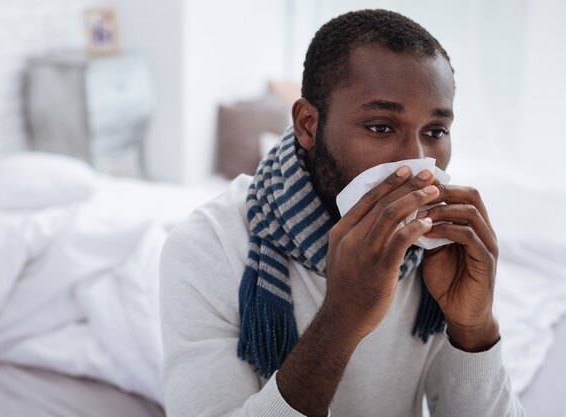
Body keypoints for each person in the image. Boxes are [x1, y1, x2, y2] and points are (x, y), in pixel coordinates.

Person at [159, 9, 526, 417]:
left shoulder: (437, 247)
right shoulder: (207, 247)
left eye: (435, 132)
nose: (416, 162)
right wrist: (342, 317)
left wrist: (474, 330)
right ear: (308, 124)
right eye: (381, 127)